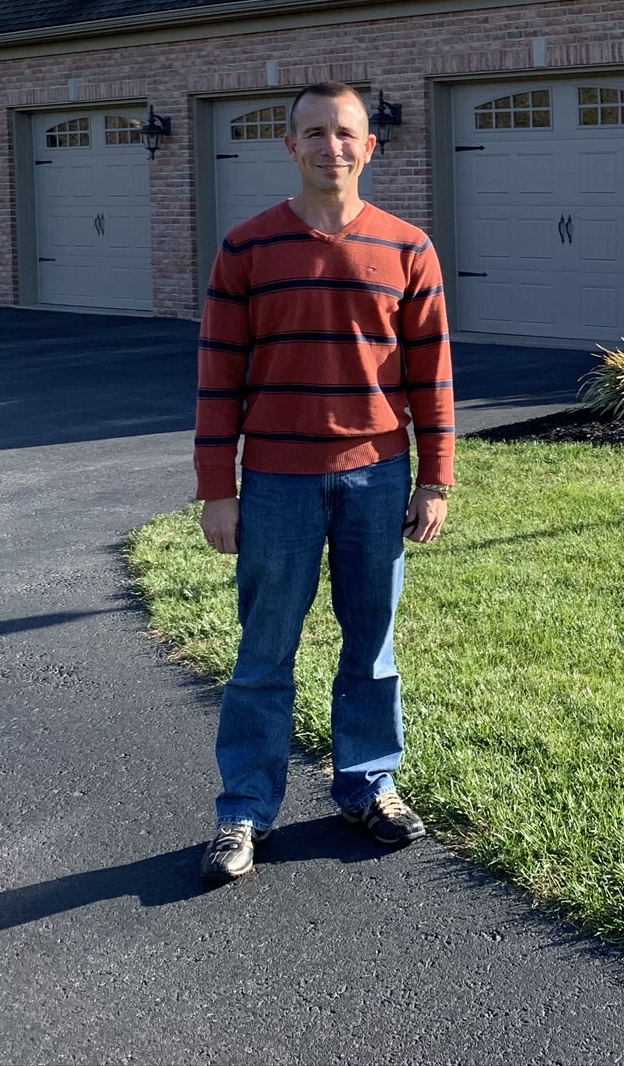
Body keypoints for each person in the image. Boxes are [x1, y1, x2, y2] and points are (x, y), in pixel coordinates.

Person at [192, 81, 454, 883]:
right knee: (264, 652)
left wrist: (436, 479)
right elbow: (218, 375)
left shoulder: (409, 248)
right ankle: (245, 809)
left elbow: (431, 375)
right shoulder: (247, 248)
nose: (330, 146)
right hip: (277, 482)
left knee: (371, 647)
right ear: (291, 146)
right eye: (314, 133)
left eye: (344, 133)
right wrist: (218, 487)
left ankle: (369, 786)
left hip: (378, 479)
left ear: (369, 147)